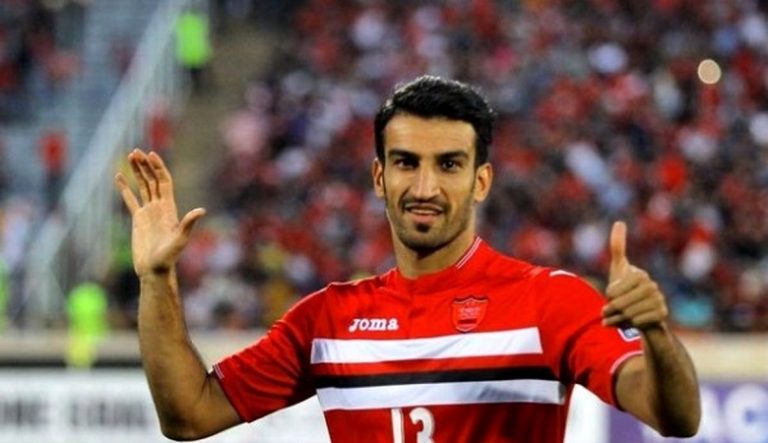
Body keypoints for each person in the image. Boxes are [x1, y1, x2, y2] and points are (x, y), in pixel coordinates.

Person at [114, 76, 701, 442]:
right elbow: (188, 414)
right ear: (379, 176)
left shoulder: (549, 302)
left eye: (448, 164)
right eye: (405, 163)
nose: (424, 186)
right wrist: (157, 278)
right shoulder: (327, 321)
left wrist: (656, 334)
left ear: (481, 181)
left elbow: (676, 417)